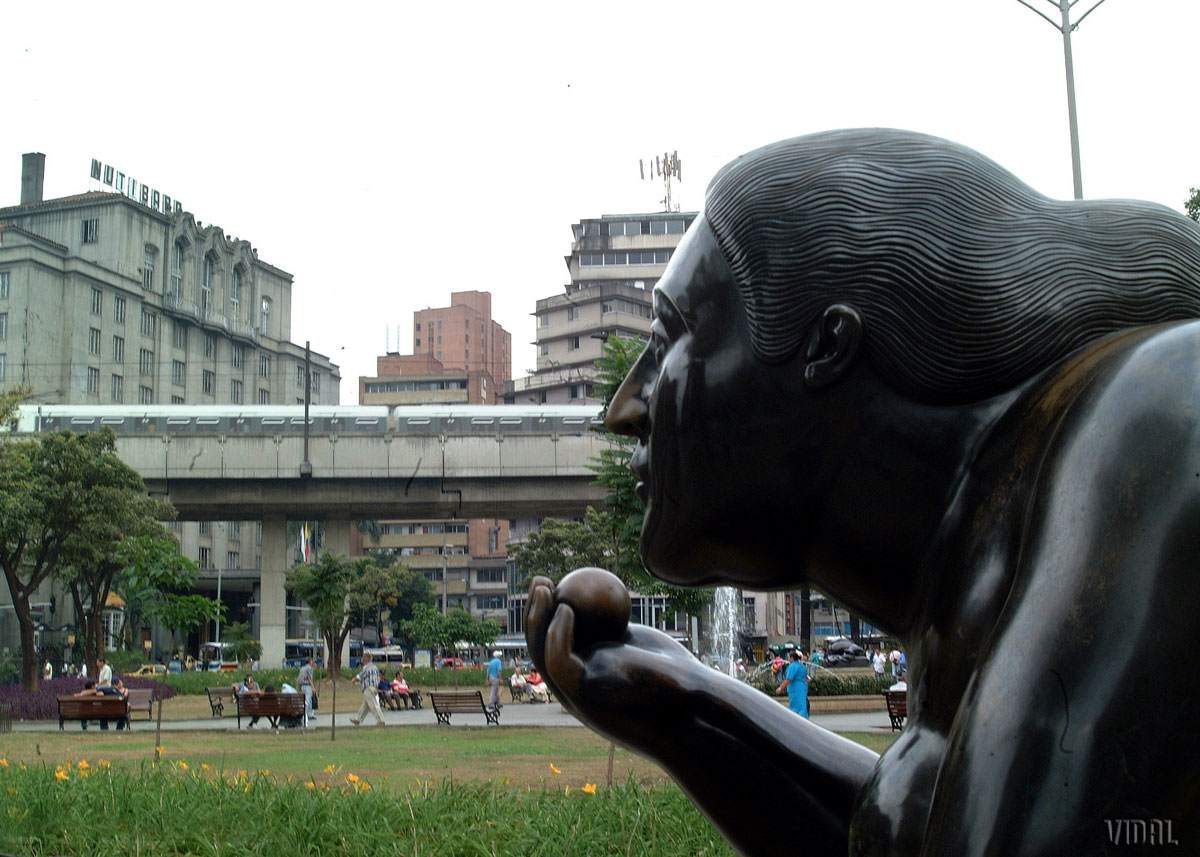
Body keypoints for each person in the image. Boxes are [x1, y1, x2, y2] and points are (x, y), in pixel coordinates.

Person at [525, 128, 1200, 855]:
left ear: (828, 346)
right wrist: (690, 711)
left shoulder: (1157, 415)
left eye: (670, 338)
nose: (625, 408)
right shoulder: (986, 559)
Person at [349, 651, 385, 726]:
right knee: (365, 705)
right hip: (374, 688)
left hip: (368, 688)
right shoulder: (375, 667)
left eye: (363, 659)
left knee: (373, 705)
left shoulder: (366, 668)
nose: (362, 661)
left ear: (366, 660)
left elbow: (360, 676)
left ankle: (380, 720)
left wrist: (354, 680)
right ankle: (358, 719)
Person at [775, 650, 809, 718]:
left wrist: (780, 688)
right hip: (803, 687)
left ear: (792, 658)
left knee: (795, 706)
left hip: (795, 688)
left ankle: (796, 720)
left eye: (789, 657)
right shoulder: (802, 666)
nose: (788, 659)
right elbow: (806, 678)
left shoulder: (793, 666)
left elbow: (789, 679)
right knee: (802, 705)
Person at [296, 655, 316, 724]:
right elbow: (310, 678)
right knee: (308, 700)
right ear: (310, 662)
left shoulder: (302, 668)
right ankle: (308, 714)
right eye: (312, 661)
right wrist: (313, 687)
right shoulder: (309, 668)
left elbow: (298, 678)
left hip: (302, 686)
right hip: (307, 686)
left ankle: (307, 713)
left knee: (305, 699)